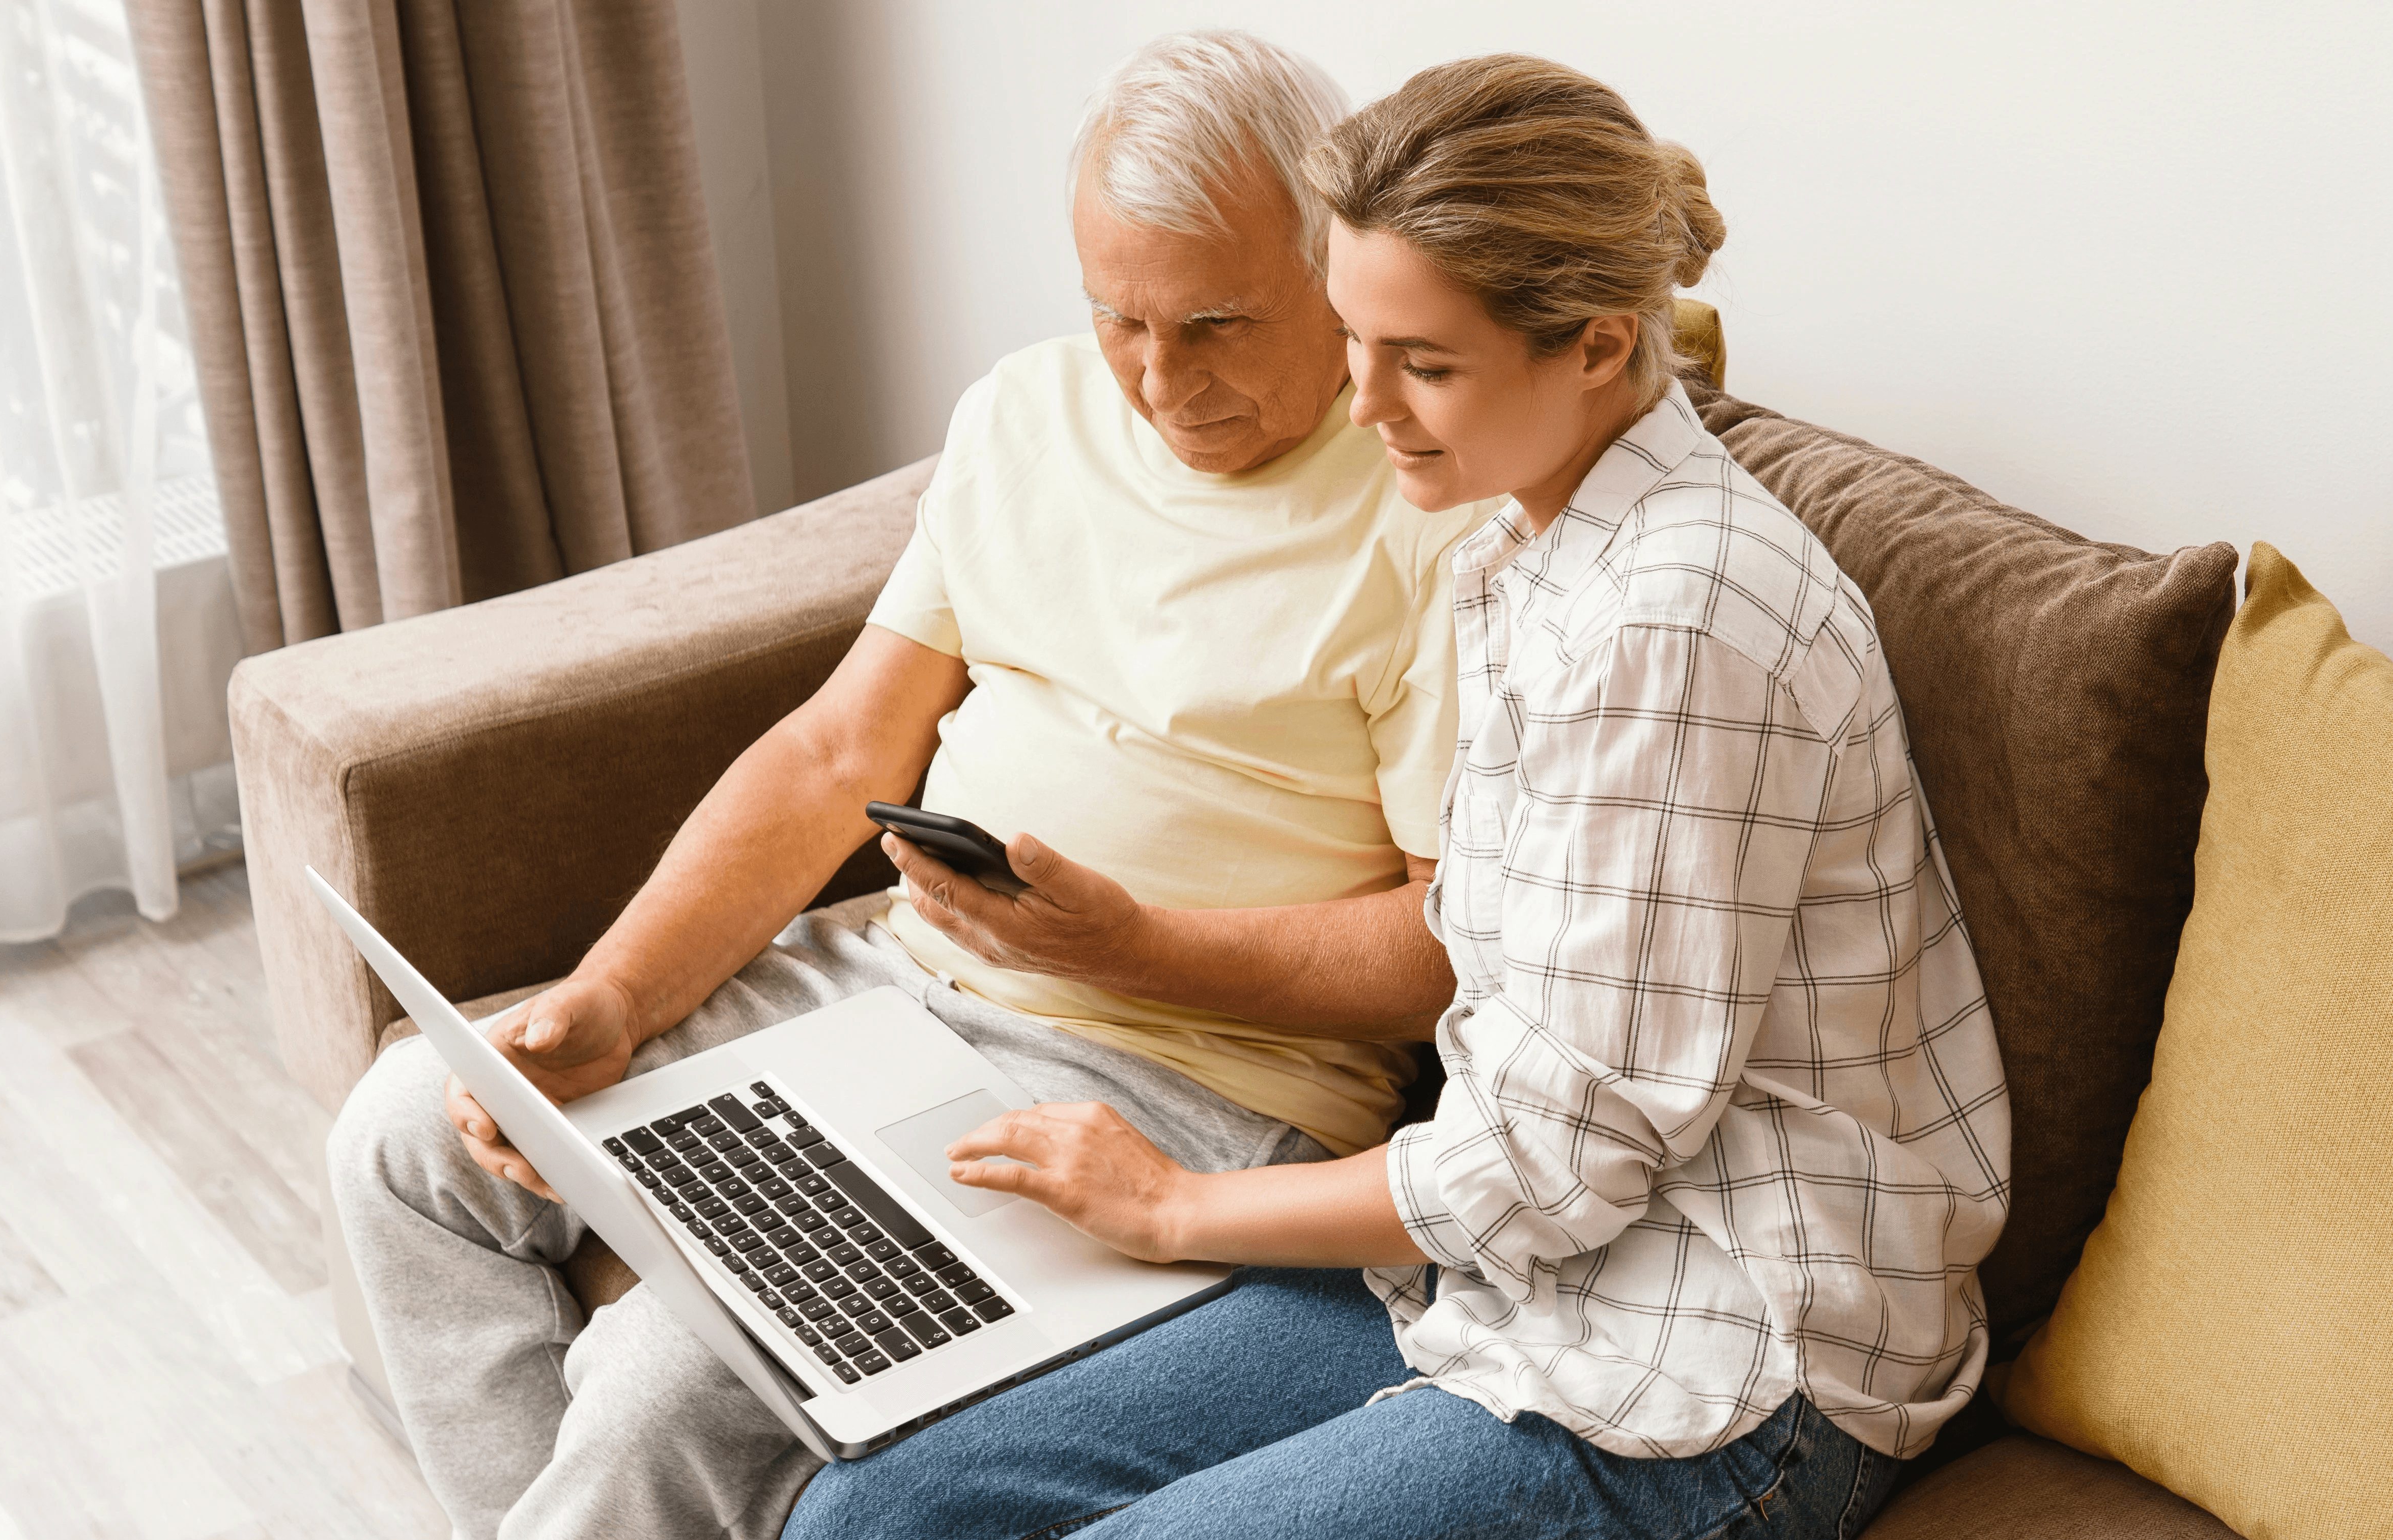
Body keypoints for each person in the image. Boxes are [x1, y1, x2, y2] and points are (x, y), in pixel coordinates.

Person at [786, 55, 2011, 1540]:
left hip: (1729, 1361)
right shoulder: (1522, 547)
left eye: (1421, 363)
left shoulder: (1678, 625)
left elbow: (1555, 1165)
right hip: (1515, 1274)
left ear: (1600, 348)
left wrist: (1170, 1205)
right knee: (880, 1509)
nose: (1364, 407)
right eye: (1355, 341)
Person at [325, 31, 1501, 1539]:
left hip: (1184, 1087)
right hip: (884, 981)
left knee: (661, 1383)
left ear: (1337, 266)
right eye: (1117, 318)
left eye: (1216, 322)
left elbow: (1444, 949)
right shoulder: (1021, 414)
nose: (1158, 379)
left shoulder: (1431, 511)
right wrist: (612, 1002)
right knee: (406, 1126)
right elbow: (835, 756)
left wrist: (1128, 949)